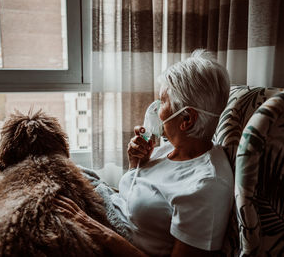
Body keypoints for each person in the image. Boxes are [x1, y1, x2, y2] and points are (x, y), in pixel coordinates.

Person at [57, 49, 234, 257]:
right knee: (58, 169)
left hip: (112, 238)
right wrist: (135, 163)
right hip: (109, 209)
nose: (156, 108)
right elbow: (140, 196)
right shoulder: (172, 146)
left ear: (186, 119)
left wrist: (93, 228)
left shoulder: (205, 186)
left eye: (162, 101)